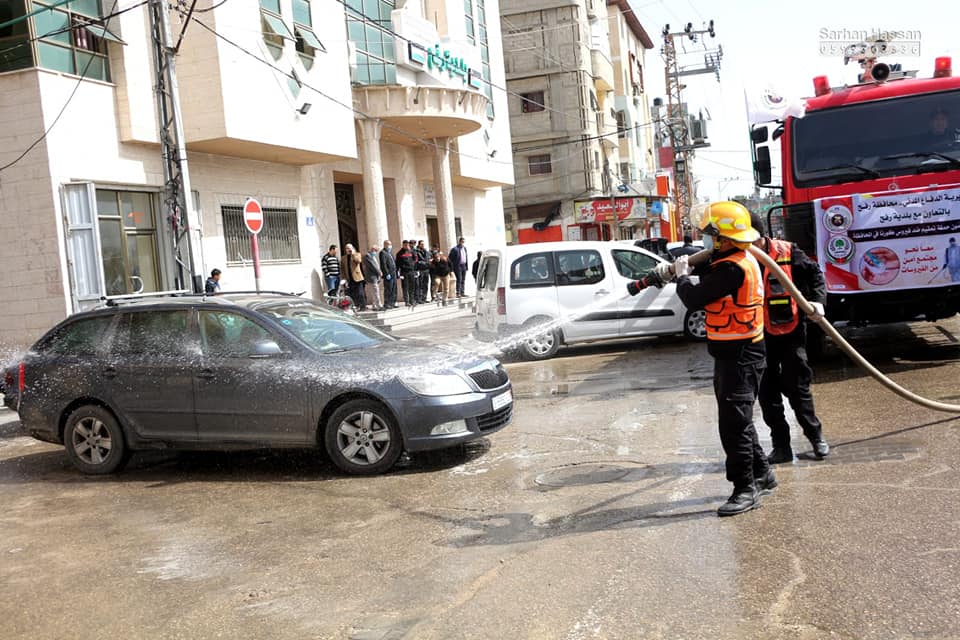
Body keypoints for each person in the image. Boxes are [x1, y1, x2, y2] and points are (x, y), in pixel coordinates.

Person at [633, 201, 774, 517]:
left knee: (733, 426)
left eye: (711, 235)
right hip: (734, 355)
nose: (707, 240)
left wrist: (681, 276)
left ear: (724, 239)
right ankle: (763, 473)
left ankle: (745, 489)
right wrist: (671, 269)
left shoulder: (734, 268)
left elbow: (695, 298)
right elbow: (709, 267)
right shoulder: (730, 259)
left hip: (741, 357)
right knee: (739, 420)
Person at [750, 210, 830, 464]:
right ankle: (781, 447)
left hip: (791, 330)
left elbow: (815, 275)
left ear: (760, 235)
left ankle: (816, 437)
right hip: (759, 336)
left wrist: (818, 302)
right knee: (768, 393)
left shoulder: (787, 251)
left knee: (798, 387)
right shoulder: (740, 257)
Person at [343, 244, 366, 310]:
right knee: (352, 294)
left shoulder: (357, 254)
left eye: (350, 248)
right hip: (349, 279)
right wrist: (344, 278)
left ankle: (363, 306)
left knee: (360, 293)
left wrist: (353, 253)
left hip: (357, 278)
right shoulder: (344, 258)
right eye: (347, 248)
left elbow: (358, 260)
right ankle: (355, 306)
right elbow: (343, 269)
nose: (348, 250)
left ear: (353, 248)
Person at [395, 240, 417, 307]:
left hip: (411, 271)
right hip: (404, 272)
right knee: (405, 287)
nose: (407, 246)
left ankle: (412, 300)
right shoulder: (399, 253)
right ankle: (407, 301)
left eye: (407, 245)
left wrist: (415, 270)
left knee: (412, 287)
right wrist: (398, 273)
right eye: (405, 245)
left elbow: (415, 260)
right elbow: (397, 264)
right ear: (403, 245)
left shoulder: (411, 252)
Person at [363, 245, 383, 311]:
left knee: (374, 291)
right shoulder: (367, 256)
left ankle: (374, 305)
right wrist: (379, 272)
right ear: (373, 249)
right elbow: (373, 266)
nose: (376, 253)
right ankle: (378, 305)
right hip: (371, 277)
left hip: (375, 277)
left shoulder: (372, 256)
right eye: (376, 251)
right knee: (375, 291)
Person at [380, 240, 398, 308]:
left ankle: (393, 302)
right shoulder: (383, 253)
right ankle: (387, 303)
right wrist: (387, 273)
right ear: (385, 245)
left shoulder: (390, 253)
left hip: (394, 273)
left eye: (390, 244)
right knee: (388, 289)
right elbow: (383, 264)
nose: (390, 246)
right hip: (388, 274)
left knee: (394, 288)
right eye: (388, 244)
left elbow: (394, 262)